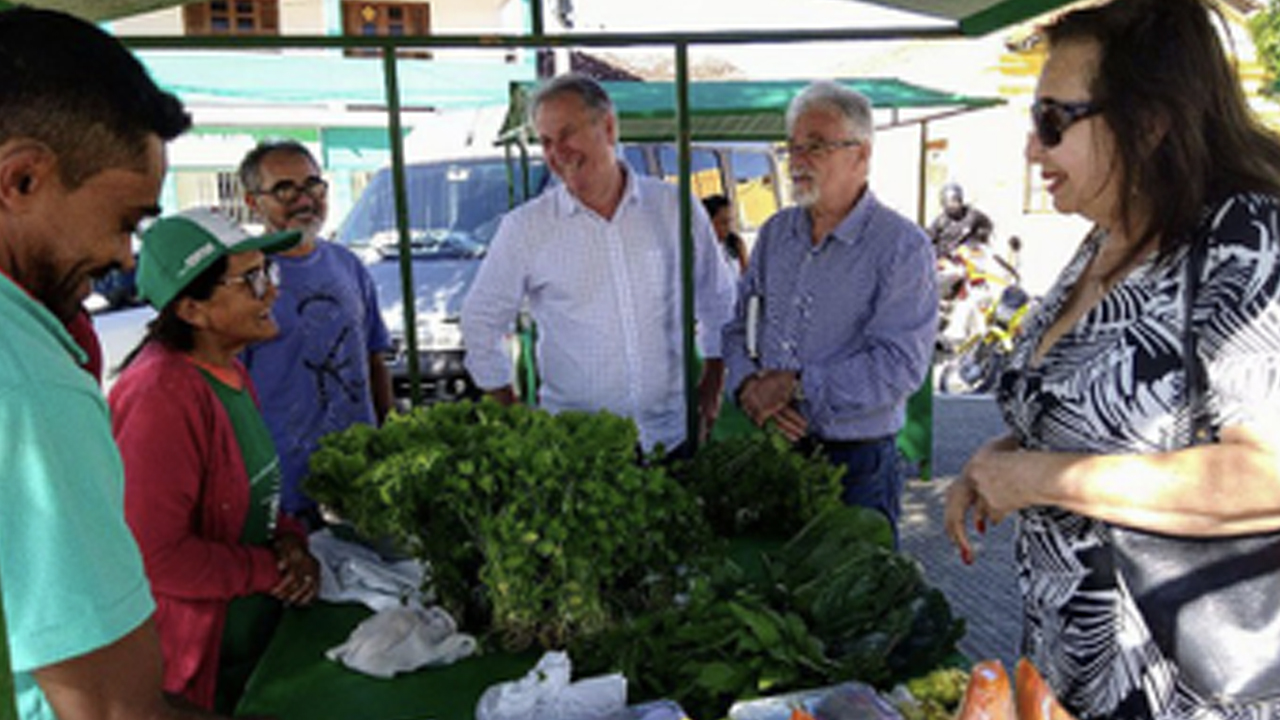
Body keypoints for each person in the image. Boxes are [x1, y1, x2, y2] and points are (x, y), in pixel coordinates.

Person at [943, 0, 1280, 717]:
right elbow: (1107, 413)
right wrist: (993, 466)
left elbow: (1266, 473)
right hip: (1075, 672)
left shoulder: (1244, 234)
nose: (1034, 150)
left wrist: (1037, 476)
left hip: (1182, 691)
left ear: (1150, 121)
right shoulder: (1107, 235)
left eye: (1052, 122)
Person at [0, 7, 260, 720]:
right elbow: (113, 709)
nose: (124, 256)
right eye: (125, 222)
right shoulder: (27, 385)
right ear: (22, 180)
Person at [110, 208, 321, 712]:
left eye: (267, 273)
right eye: (250, 280)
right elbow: (156, 555)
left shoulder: (226, 372)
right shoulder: (162, 395)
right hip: (187, 673)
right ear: (191, 310)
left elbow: (252, 497)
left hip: (243, 650)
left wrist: (289, 539)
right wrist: (269, 569)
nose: (271, 291)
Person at [460, 73, 737, 454]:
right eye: (545, 141)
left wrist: (711, 386)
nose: (557, 153)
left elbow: (718, 300)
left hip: (674, 438)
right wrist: (513, 414)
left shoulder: (675, 208)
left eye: (567, 134)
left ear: (608, 127)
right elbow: (480, 322)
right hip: (579, 451)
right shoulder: (526, 227)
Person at [722, 81, 936, 542]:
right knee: (777, 592)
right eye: (792, 147)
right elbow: (740, 328)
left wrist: (796, 385)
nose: (798, 160)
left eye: (816, 146)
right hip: (776, 447)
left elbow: (900, 366)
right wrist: (751, 388)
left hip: (856, 464)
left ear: (861, 155)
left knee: (855, 601)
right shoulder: (777, 233)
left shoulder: (901, 247)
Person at [239, 139, 393, 528]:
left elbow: (374, 358)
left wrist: (389, 441)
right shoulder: (240, 280)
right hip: (282, 495)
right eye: (284, 189)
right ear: (253, 202)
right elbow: (227, 392)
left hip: (359, 479)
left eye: (312, 185)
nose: (303, 199)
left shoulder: (347, 265)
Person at [927, 182, 993, 259]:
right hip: (948, 259)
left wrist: (974, 241)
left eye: (955, 201)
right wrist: (946, 251)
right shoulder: (940, 222)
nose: (952, 205)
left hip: (969, 257)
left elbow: (987, 226)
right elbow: (928, 241)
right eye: (949, 202)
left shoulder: (972, 215)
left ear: (960, 200)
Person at [702, 194, 749, 274]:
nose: (729, 228)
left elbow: (747, 275)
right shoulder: (700, 250)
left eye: (730, 221)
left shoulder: (736, 244)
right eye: (723, 223)